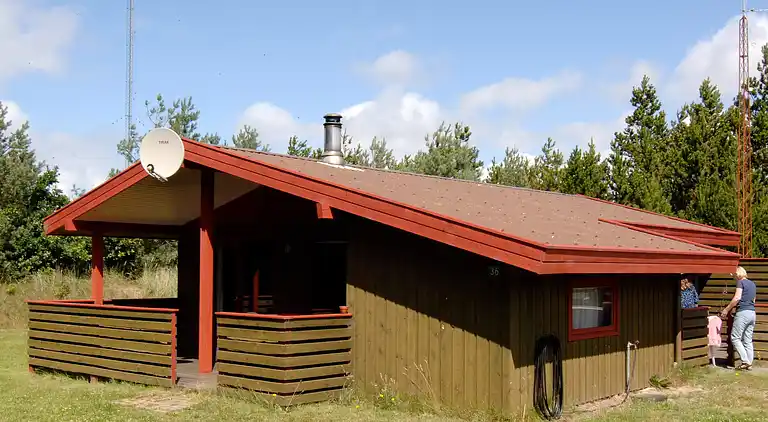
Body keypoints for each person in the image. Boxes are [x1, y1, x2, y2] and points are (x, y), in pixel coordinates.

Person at [720, 266, 758, 370]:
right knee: (748, 340)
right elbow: (754, 300)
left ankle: (745, 361)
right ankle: (749, 364)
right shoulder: (753, 284)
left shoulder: (740, 283)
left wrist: (727, 309)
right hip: (752, 313)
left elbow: (737, 297)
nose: (733, 277)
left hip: (743, 313)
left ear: (738, 274)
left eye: (734, 275)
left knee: (735, 337)